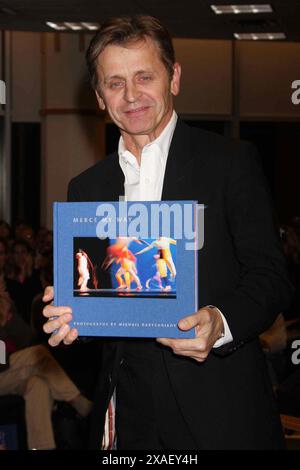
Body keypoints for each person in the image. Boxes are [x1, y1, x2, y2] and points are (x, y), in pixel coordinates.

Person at [42, 15, 294, 450]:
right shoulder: (87, 187)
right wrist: (72, 319)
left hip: (219, 403)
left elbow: (271, 276)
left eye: (144, 76)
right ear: (100, 97)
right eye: (115, 83)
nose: (132, 95)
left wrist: (220, 321)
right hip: (127, 410)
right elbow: (98, 306)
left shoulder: (229, 163)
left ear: (174, 78)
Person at [0, 294, 93, 450]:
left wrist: (9, 313)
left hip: (11, 375)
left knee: (38, 385)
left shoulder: (7, 309)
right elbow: (1, 362)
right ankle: (79, 402)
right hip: (4, 369)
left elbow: (28, 339)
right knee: (37, 353)